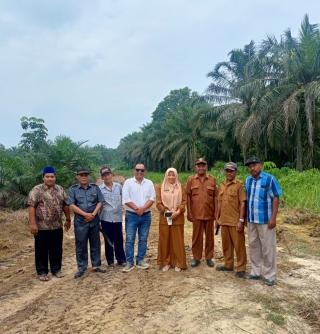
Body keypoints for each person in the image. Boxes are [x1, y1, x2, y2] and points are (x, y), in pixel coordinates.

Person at [27, 166, 71, 281]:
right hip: (41, 227)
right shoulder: (37, 190)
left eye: (52, 176)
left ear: (55, 177)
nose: (50, 179)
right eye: (47, 176)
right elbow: (31, 207)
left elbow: (65, 205)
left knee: (56, 249)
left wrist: (68, 219)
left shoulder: (60, 189)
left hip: (57, 226)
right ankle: (42, 271)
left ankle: (56, 269)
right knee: (41, 249)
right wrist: (32, 224)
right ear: (43, 178)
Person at [245, 157, 283, 286]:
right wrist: (245, 218)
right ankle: (256, 272)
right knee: (254, 246)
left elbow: (276, 198)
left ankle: (269, 275)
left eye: (254, 165)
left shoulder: (269, 179)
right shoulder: (248, 180)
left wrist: (273, 218)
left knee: (268, 248)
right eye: (250, 166)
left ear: (260, 165)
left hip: (266, 220)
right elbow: (247, 200)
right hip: (252, 220)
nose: (252, 168)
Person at [67, 167, 106, 279]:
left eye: (86, 175)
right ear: (77, 177)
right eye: (81, 175)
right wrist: (85, 214)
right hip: (81, 222)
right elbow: (71, 205)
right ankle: (82, 268)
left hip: (93, 220)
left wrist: (93, 214)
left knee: (95, 243)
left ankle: (96, 265)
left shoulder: (95, 188)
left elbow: (100, 201)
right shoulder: (73, 189)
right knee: (81, 245)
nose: (84, 177)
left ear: (88, 176)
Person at [122, 163, 156, 272]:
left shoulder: (149, 183)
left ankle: (140, 260)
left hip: (146, 216)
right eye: (137, 170)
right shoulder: (128, 183)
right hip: (131, 215)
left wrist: (142, 209)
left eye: (142, 170)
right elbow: (126, 199)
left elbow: (152, 198)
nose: (139, 172)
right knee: (130, 239)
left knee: (143, 239)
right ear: (134, 170)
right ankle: (129, 262)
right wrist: (137, 209)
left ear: (144, 171)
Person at [216, 162, 247, 278]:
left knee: (239, 245)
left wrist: (241, 220)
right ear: (224, 172)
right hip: (224, 221)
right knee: (226, 245)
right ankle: (228, 264)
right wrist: (217, 218)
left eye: (231, 171)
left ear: (235, 172)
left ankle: (241, 268)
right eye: (227, 171)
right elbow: (219, 203)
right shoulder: (222, 185)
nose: (229, 173)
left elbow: (242, 204)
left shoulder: (239, 185)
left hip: (235, 221)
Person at [186, 158, 218, 267]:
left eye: (203, 165)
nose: (201, 167)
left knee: (210, 238)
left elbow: (215, 198)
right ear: (196, 167)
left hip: (209, 214)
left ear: (206, 167)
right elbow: (188, 197)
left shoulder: (212, 180)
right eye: (199, 165)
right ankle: (196, 258)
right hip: (196, 214)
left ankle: (209, 258)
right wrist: (189, 212)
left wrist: (216, 214)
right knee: (196, 238)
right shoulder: (191, 180)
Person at [156, 167, 187, 272]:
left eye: (173, 175)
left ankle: (178, 263)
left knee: (177, 241)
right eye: (169, 174)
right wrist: (167, 212)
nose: (171, 177)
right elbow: (158, 203)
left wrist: (178, 212)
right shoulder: (160, 187)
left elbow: (183, 202)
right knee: (165, 240)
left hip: (177, 217)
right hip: (165, 218)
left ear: (176, 175)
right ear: (166, 175)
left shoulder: (181, 187)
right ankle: (166, 262)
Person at [99, 166, 126, 267]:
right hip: (105, 218)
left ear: (111, 175)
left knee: (119, 239)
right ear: (102, 177)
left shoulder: (118, 186)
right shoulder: (99, 189)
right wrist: (98, 220)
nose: (106, 176)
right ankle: (110, 261)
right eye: (104, 175)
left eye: (108, 174)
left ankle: (121, 259)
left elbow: (123, 199)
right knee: (108, 240)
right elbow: (98, 204)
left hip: (117, 218)